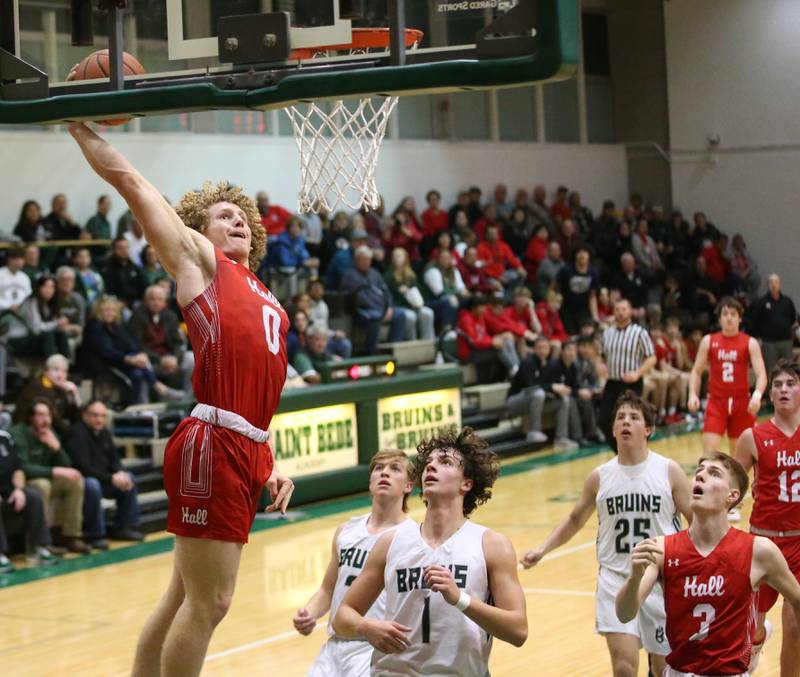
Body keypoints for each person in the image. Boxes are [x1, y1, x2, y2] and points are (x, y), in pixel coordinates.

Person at [69, 122, 294, 677]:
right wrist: (80, 126)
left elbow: (256, 388)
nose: (237, 221)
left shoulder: (265, 292)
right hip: (213, 442)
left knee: (182, 596)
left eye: (241, 216)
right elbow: (131, 182)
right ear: (196, 230)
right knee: (210, 602)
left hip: (243, 443)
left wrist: (267, 460)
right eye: (223, 216)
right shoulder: (200, 261)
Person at [521, 392, 692, 677]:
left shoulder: (669, 471)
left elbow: (695, 521)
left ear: (648, 429)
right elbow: (575, 519)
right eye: (620, 417)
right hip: (616, 578)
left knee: (666, 670)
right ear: (612, 430)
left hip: (661, 579)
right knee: (624, 668)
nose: (626, 422)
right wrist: (543, 548)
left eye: (634, 417)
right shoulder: (599, 476)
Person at [333, 427, 528, 675]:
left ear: (467, 483)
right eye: (428, 463)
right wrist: (366, 627)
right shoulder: (390, 542)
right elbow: (343, 616)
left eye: (445, 462)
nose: (431, 467)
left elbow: (518, 630)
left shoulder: (491, 544)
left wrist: (460, 599)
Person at [616, 452, 800, 677]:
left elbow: (797, 599)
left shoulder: (759, 551)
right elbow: (624, 614)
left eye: (714, 474)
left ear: (732, 496)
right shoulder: (662, 549)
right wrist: (634, 577)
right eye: (699, 471)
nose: (701, 476)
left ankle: (756, 637)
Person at [294, 449, 414, 676]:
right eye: (379, 468)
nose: (384, 473)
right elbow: (328, 589)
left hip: (375, 648)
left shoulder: (412, 538)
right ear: (370, 482)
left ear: (408, 486)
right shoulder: (346, 530)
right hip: (334, 645)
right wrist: (309, 613)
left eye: (395, 469)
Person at [735, 359, 800, 674]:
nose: (784, 389)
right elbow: (732, 486)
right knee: (750, 626)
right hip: (764, 543)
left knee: (795, 624)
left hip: (799, 543)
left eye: (791, 384)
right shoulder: (752, 437)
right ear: (770, 394)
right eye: (778, 385)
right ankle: (758, 641)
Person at [687, 298, 767, 473]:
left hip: (742, 404)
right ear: (719, 318)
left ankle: (734, 489)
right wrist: (692, 394)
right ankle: (708, 488)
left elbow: (761, 374)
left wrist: (757, 396)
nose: (729, 318)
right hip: (716, 402)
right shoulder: (709, 341)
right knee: (709, 455)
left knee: (739, 459)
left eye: (733, 314)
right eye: (725, 314)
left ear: (740, 318)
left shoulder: (750, 342)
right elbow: (696, 371)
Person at [9, 399, 91, 554]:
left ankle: (71, 536)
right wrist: (54, 471)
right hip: (21, 481)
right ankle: (42, 542)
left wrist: (57, 448)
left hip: (46, 477)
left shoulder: (49, 432)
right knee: (42, 485)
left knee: (74, 481)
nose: (45, 419)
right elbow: (21, 468)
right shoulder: (18, 434)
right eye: (40, 415)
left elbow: (67, 466)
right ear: (30, 417)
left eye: (48, 415)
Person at [64, 400, 143, 545]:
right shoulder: (76, 433)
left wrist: (120, 472)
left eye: (103, 416)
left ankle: (124, 527)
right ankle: (95, 534)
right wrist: (111, 478)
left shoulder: (104, 432)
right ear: (84, 415)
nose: (99, 419)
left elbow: (115, 459)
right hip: (83, 480)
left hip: (105, 479)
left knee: (129, 478)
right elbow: (83, 468)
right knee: (92, 485)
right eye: (95, 415)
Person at [599, 298, 657, 451]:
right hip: (612, 382)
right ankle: (619, 452)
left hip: (631, 384)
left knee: (632, 421)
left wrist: (638, 373)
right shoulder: (607, 333)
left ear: (630, 311)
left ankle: (639, 450)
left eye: (624, 309)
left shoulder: (639, 332)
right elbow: (602, 357)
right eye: (617, 309)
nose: (620, 312)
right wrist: (601, 365)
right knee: (604, 419)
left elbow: (651, 358)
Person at [0, 427, 60, 571]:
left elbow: (18, 468)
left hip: (8, 491)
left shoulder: (4, 437)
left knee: (33, 496)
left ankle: (38, 548)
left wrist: (19, 489)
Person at [13, 353, 81, 434]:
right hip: (27, 432)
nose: (60, 375)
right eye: (56, 370)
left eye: (64, 371)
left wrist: (75, 396)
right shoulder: (39, 387)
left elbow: (73, 417)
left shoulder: (59, 387)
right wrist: (72, 433)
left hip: (47, 429)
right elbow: (55, 421)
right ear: (46, 371)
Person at [749, 273, 798, 376]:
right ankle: (771, 387)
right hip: (769, 342)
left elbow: (793, 319)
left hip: (786, 341)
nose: (773, 284)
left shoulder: (787, 301)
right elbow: (755, 321)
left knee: (788, 369)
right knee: (771, 370)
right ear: (768, 285)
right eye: (771, 282)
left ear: (779, 284)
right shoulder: (761, 302)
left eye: (776, 282)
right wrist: (758, 338)